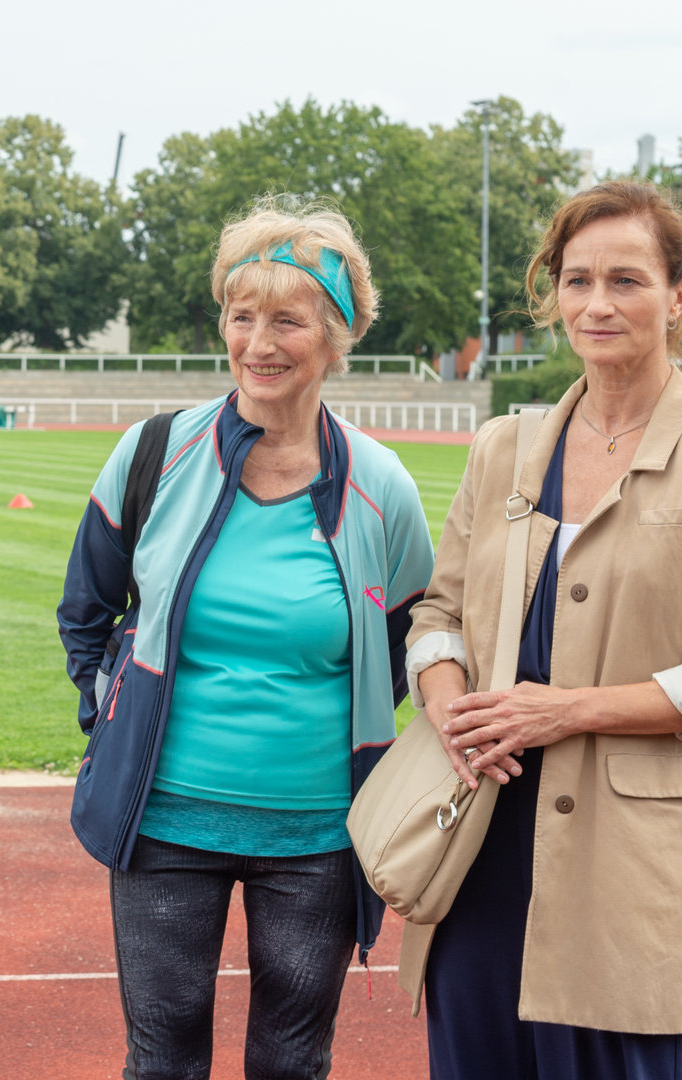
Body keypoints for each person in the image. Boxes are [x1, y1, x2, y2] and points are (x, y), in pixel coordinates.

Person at [402, 181, 682, 1079]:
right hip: (479, 836)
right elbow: (435, 616)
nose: (597, 304)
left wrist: (563, 711)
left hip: (628, 858)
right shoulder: (502, 446)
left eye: (626, 280)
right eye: (576, 281)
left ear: (679, 294)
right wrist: (450, 711)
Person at [58, 196, 435, 1079]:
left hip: (316, 834)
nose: (258, 342)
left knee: (290, 1061)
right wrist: (105, 713)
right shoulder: (155, 452)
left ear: (335, 337)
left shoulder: (381, 485)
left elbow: (411, 637)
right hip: (162, 820)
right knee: (162, 1058)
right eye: (241, 315)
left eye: (287, 320)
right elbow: (87, 608)